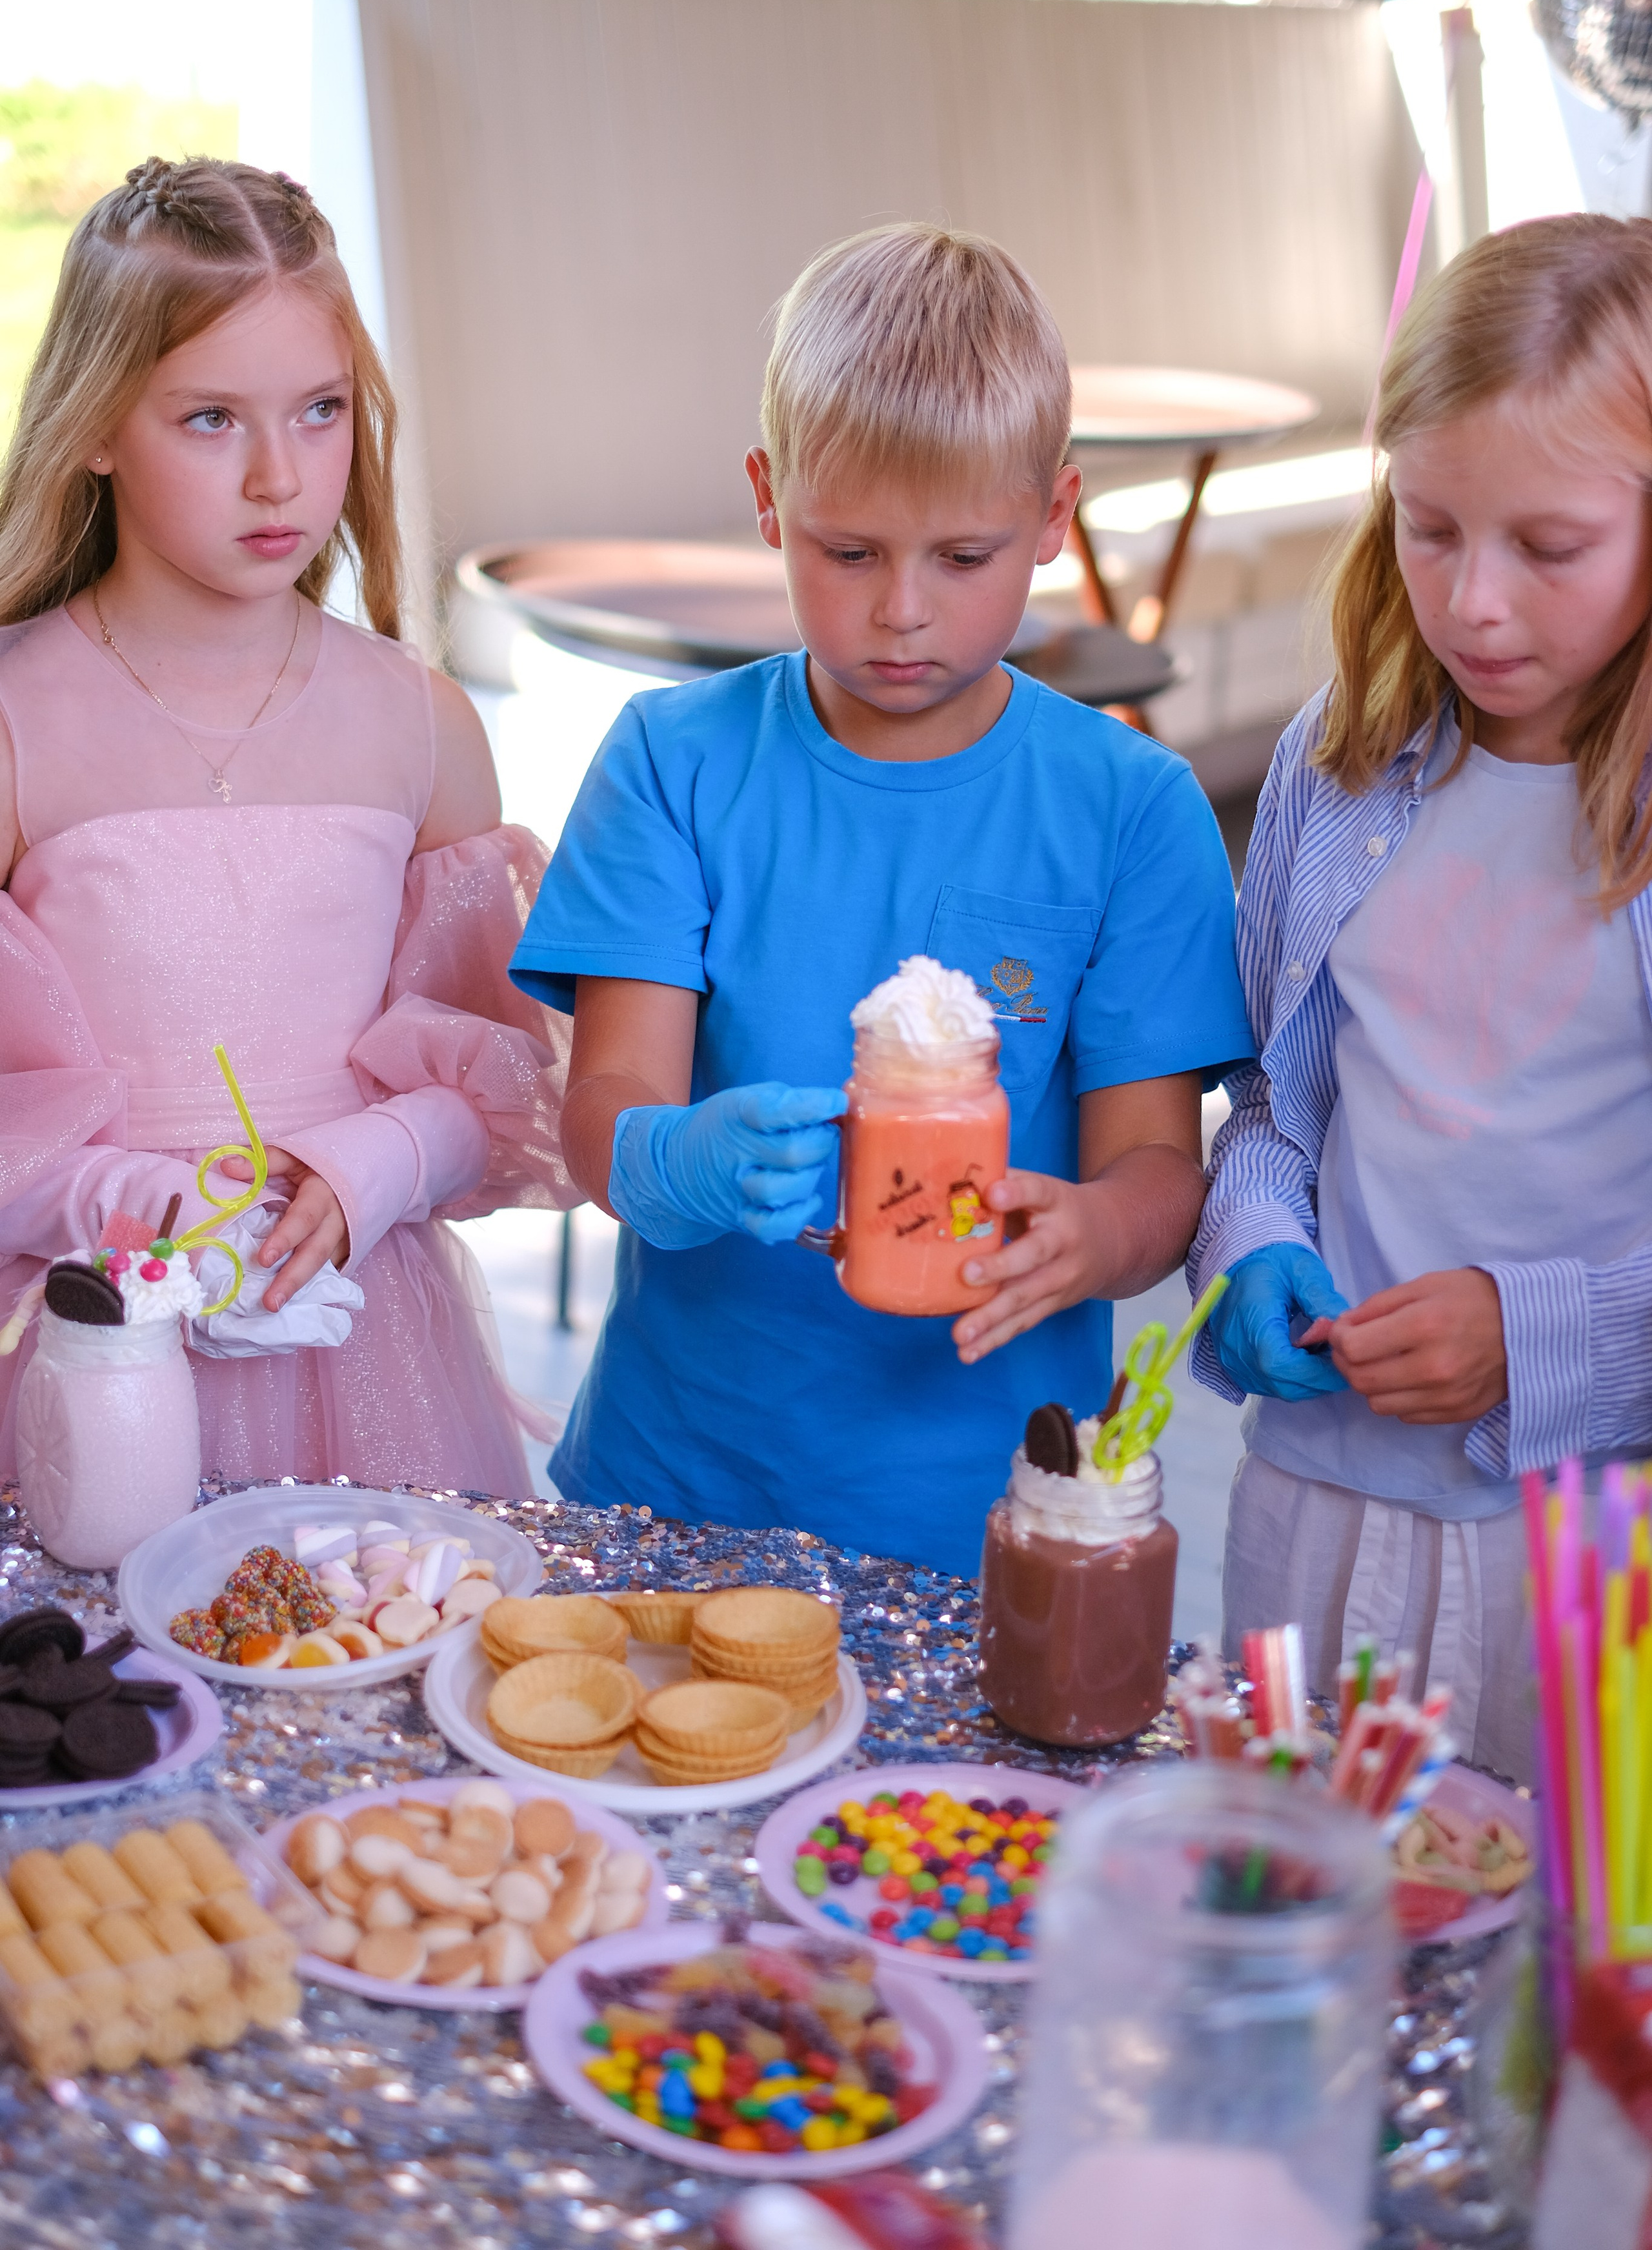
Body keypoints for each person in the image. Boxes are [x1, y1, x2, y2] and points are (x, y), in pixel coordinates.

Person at [511, 223, 1253, 1578]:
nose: (900, 612)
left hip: (981, 1521)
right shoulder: (670, 764)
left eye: (961, 559)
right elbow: (602, 1120)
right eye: (844, 552)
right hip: (670, 1483)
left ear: (1050, 518)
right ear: (766, 496)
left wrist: (1091, 1237)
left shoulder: (1129, 811)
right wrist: (676, 1161)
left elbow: (1156, 1172)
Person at [0, 157, 573, 1494]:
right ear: (93, 424)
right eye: (211, 420)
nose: (278, 478)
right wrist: (128, 1208)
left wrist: (387, 1155)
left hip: (368, 1343)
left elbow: (502, 1084)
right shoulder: (16, 723)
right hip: (94, 1363)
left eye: (319, 413)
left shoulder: (421, 723)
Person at [1191, 214, 1652, 1781]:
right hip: (1312, 1507)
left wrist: (1528, 1338)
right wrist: (1249, 1237)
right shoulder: (1346, 753)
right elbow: (1272, 1099)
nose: (1472, 605)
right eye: (1428, 525)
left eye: (1548, 546)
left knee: (1554, 1973)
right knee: (1290, 1907)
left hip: (1597, 1553)